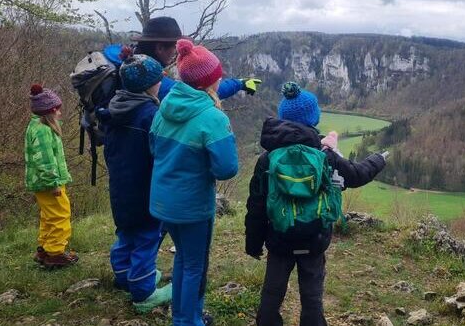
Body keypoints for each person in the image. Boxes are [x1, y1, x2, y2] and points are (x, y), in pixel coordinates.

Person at [245, 82, 387, 326]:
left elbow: (256, 205)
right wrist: (378, 159)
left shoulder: (267, 159)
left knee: (271, 294)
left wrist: (254, 244)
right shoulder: (325, 156)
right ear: (313, 119)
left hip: (279, 238)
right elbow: (356, 175)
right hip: (314, 240)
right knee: (312, 298)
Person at [149, 39, 239, 326]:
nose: (221, 78)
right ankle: (187, 321)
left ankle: (185, 315)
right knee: (195, 267)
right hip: (192, 206)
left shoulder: (164, 107)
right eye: (218, 75)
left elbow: (153, 147)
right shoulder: (212, 117)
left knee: (183, 259)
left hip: (163, 200)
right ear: (208, 82)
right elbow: (227, 168)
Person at [101, 55, 172, 312]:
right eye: (158, 79)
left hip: (120, 187)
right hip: (145, 189)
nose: (161, 82)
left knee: (126, 232)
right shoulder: (151, 114)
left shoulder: (114, 108)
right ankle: (143, 292)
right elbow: (160, 155)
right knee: (146, 237)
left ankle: (123, 276)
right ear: (149, 85)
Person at [128, 16, 262, 100]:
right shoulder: (154, 83)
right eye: (173, 47)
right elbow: (201, 92)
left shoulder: (129, 68)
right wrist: (239, 83)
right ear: (160, 48)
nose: (175, 52)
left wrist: (239, 83)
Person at [24, 84, 77, 268]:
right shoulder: (43, 131)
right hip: (49, 183)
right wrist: (54, 183)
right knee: (60, 214)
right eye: (57, 111)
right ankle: (55, 253)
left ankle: (45, 250)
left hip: (43, 183)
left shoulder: (36, 126)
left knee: (48, 216)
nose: (60, 114)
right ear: (49, 113)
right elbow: (45, 162)